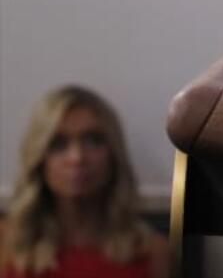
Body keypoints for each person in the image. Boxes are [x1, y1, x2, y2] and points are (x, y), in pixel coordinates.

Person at [0, 87, 169, 278]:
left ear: (113, 154)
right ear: (39, 158)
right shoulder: (7, 243)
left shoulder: (152, 252)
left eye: (93, 141)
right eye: (59, 144)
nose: (77, 158)